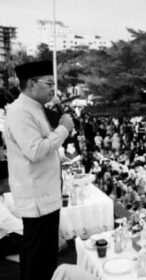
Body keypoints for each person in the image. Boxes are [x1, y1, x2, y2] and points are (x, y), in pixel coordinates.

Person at [4, 61, 74, 280]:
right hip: (37, 196)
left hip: (45, 193)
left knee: (43, 253)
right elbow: (35, 150)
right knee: (38, 255)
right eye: (49, 83)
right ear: (32, 84)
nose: (53, 89)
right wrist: (64, 129)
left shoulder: (35, 109)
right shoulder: (20, 112)